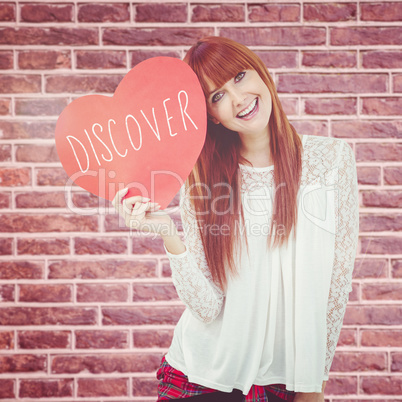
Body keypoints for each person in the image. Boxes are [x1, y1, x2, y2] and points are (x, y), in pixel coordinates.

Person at [112, 36, 359, 402]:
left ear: (261, 72)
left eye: (240, 77)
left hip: (286, 380)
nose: (238, 98)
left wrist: (314, 387)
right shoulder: (204, 183)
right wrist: (169, 235)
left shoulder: (333, 160)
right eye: (218, 96)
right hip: (202, 377)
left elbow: (335, 287)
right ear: (211, 115)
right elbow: (208, 306)